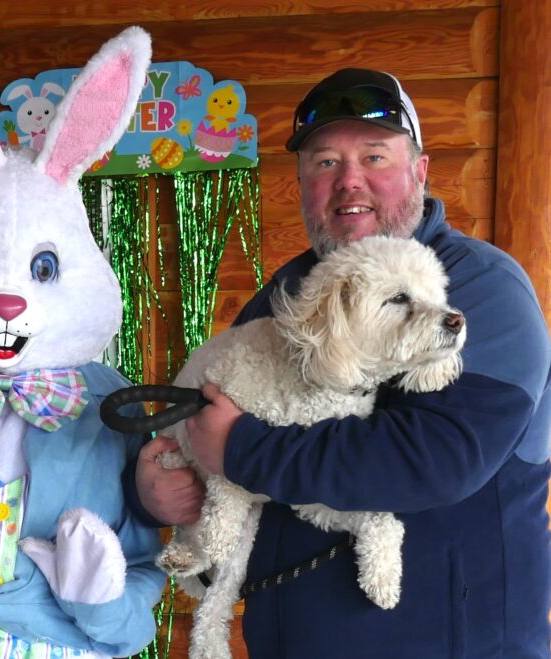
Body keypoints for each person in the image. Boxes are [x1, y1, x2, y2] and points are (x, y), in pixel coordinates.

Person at [136, 68, 551, 658]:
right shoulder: (280, 304)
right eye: (324, 162)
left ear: (420, 171)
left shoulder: (480, 291)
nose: (349, 182)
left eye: (375, 157)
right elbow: (206, 437)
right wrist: (157, 489)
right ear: (303, 182)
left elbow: (431, 459)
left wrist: (237, 448)